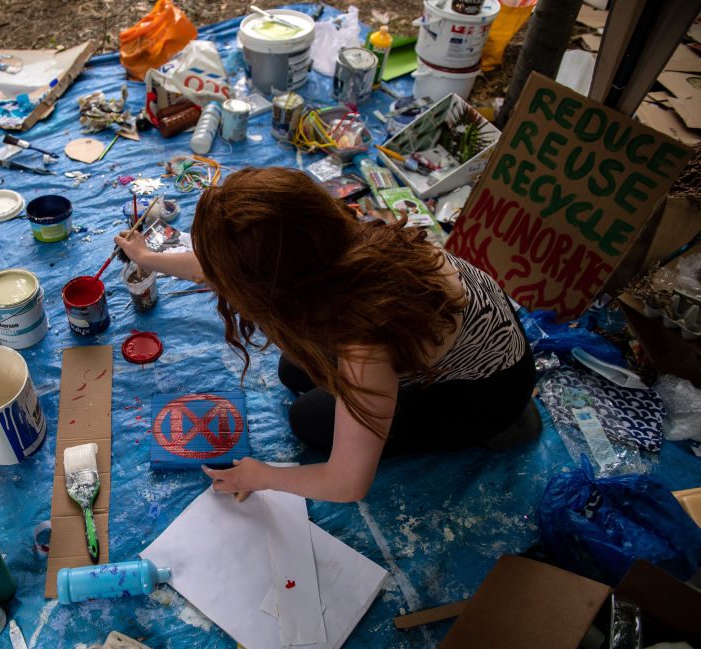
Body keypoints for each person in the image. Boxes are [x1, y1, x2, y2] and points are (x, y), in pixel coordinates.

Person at [115, 167, 539, 503]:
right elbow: (225, 265)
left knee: (310, 422)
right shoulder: (329, 240)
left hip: (488, 389)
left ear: (276, 285)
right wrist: (148, 258)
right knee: (295, 370)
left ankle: (503, 425)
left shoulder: (366, 340)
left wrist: (261, 475)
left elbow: (347, 482)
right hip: (456, 337)